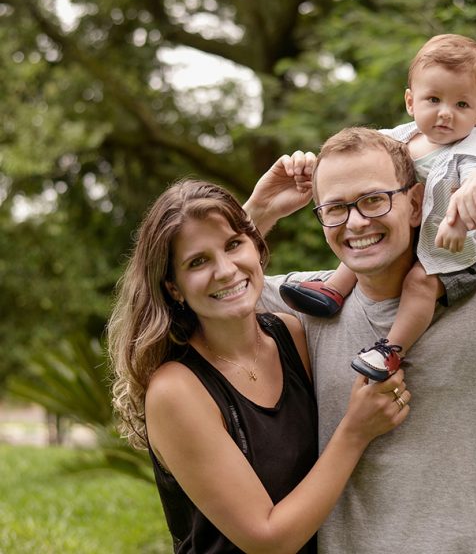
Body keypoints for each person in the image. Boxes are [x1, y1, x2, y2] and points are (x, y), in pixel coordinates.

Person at [244, 126, 476, 553]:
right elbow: (175, 302)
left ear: (415, 204)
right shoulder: (312, 303)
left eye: (374, 200)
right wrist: (258, 212)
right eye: (335, 208)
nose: (356, 222)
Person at [107, 179, 411, 554]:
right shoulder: (176, 390)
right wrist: (355, 431)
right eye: (197, 262)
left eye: (234, 245)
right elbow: (268, 539)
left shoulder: (292, 334)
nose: (225, 270)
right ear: (173, 287)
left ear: (255, 247)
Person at [280, 34, 476, 381]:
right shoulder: (402, 138)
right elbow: (358, 157)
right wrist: (320, 168)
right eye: (434, 99)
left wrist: (463, 212)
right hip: (417, 232)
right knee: (367, 233)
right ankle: (334, 289)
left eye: (462, 105)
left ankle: (390, 349)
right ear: (411, 101)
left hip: (459, 248)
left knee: (420, 283)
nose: (445, 113)